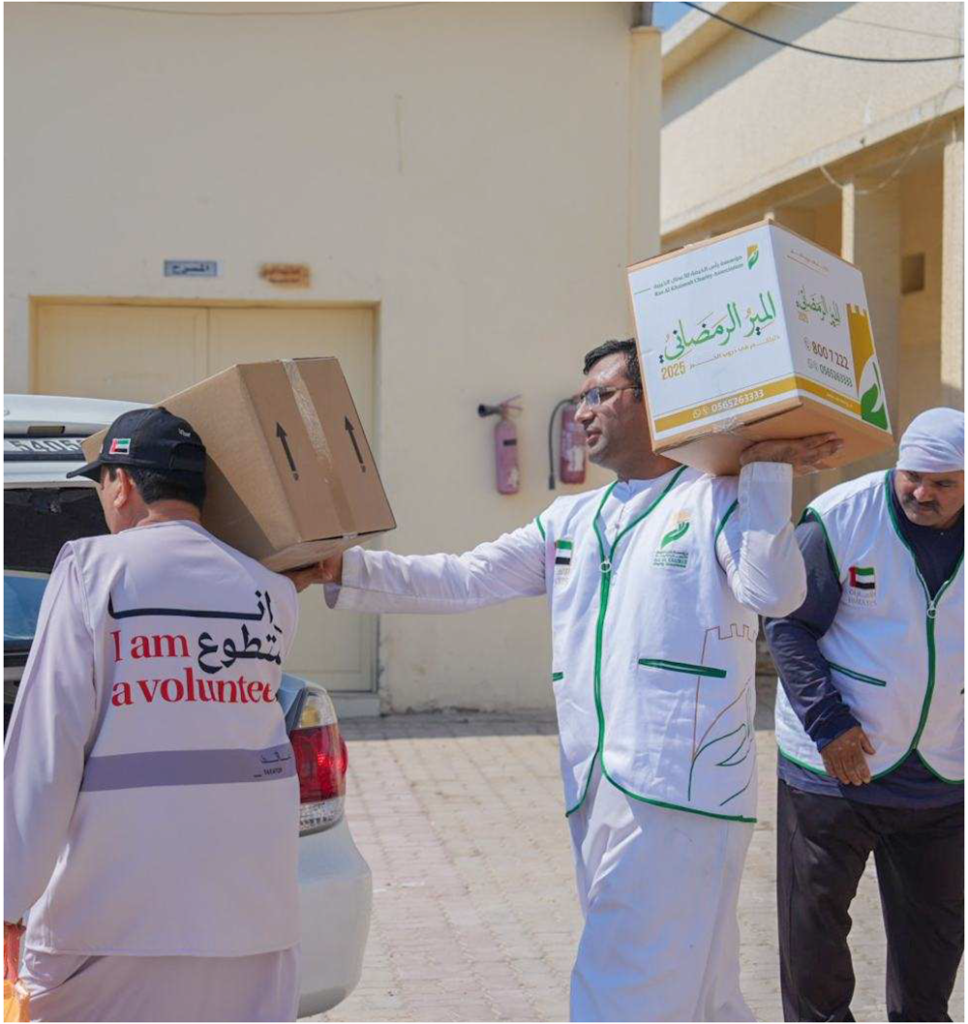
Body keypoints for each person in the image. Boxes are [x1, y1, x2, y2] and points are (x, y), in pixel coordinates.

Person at [289, 338, 840, 1023]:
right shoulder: (574, 518)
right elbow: (467, 578)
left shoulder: (716, 499)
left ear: (656, 402)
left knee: (622, 986)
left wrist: (765, 475)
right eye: (579, 398)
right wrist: (346, 568)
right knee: (702, 996)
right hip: (596, 786)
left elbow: (775, 593)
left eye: (600, 395)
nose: (582, 413)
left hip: (682, 789)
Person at [2, 408, 302, 1023]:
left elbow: (45, 748)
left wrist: (9, 896)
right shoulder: (269, 590)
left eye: (101, 482)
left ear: (123, 484)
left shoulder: (92, 570)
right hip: (254, 926)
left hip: (115, 924)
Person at [766, 406, 965, 1023]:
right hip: (834, 770)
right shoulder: (840, 518)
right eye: (913, 477)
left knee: (933, 943)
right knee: (814, 932)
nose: (922, 493)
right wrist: (829, 725)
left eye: (943, 483)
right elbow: (788, 625)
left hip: (941, 772)